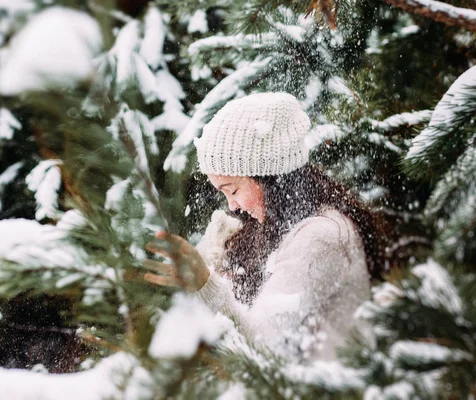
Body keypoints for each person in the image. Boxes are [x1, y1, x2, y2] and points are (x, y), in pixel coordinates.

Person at [144, 92, 386, 362]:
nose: (232, 206)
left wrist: (206, 284)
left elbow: (263, 349)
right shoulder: (262, 226)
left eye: (233, 189)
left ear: (271, 179)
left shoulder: (321, 237)